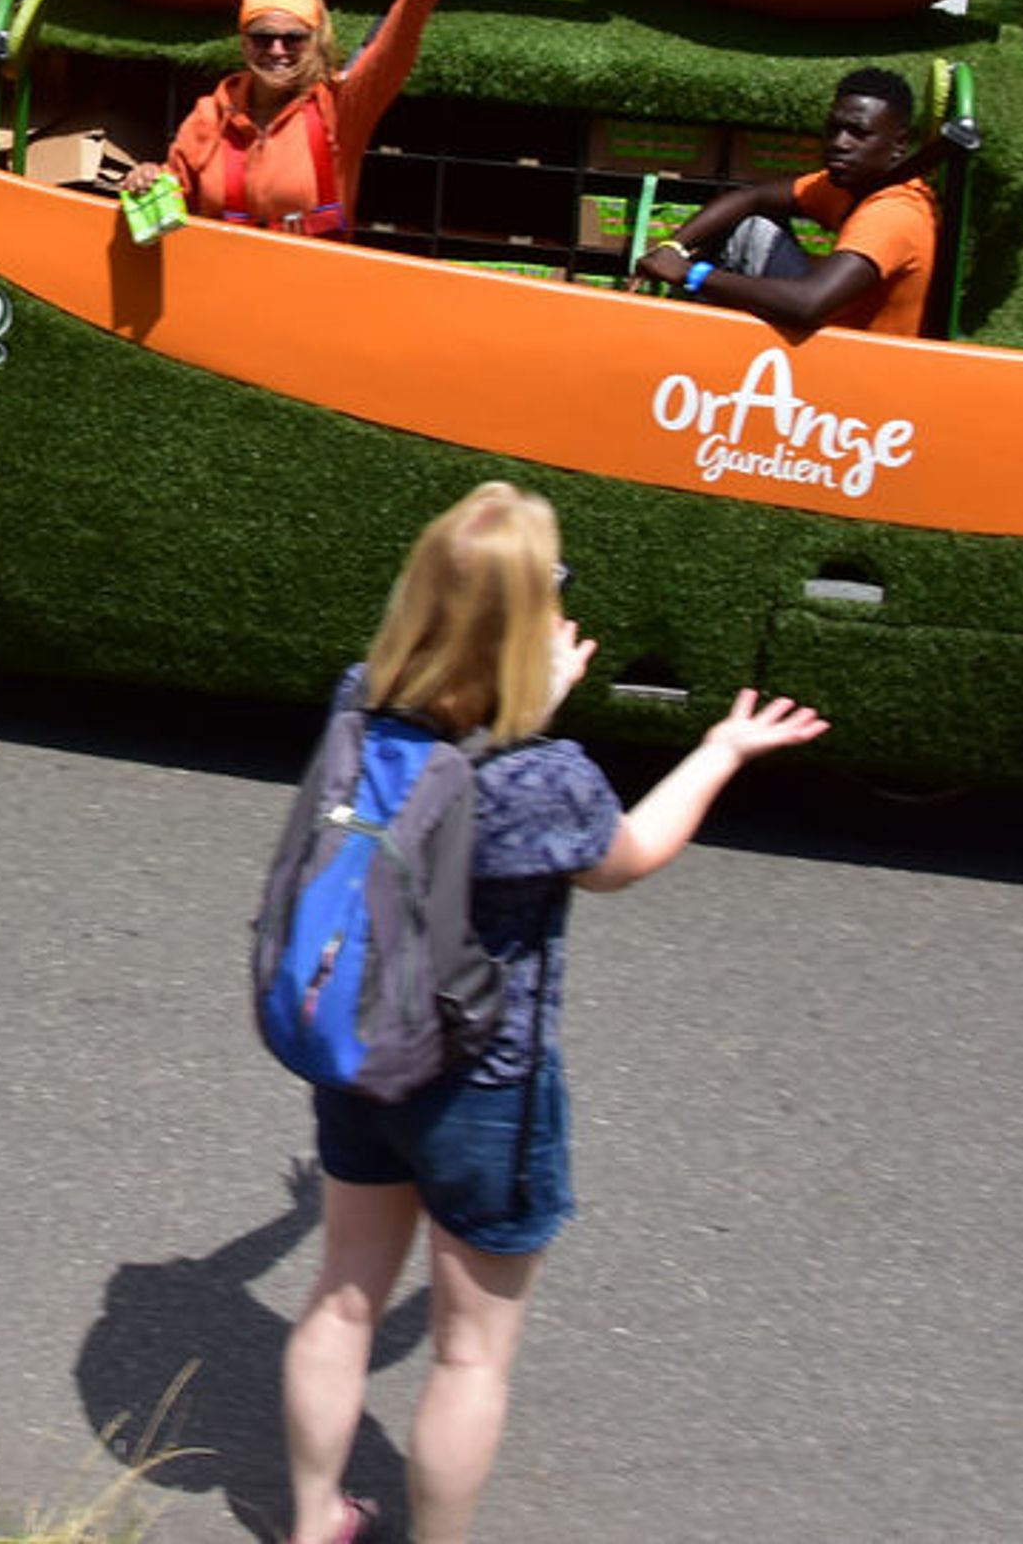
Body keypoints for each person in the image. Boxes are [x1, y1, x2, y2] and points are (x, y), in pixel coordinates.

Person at [279, 484, 826, 1544]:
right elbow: (626, 859)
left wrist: (525, 696)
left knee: (343, 1296)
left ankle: (312, 1523)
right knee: (470, 1351)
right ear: (536, 627)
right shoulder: (546, 775)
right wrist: (719, 751)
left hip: (358, 1047)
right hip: (484, 1083)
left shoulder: (360, 701)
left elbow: (444, 756)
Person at [125, 0, 498, 237]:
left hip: (315, 293)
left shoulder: (339, 108)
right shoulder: (209, 115)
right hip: (222, 288)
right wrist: (149, 177)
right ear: (244, 43)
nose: (276, 50)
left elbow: (391, 55)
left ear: (313, 42)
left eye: (293, 39)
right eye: (262, 38)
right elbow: (178, 191)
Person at [634, 66, 941, 336]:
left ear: (898, 145)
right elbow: (751, 197)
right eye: (833, 129)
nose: (839, 144)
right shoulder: (848, 183)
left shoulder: (893, 213)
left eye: (858, 133)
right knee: (750, 223)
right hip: (823, 332)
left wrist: (692, 273)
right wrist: (673, 247)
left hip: (849, 367)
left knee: (750, 234)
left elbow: (807, 304)